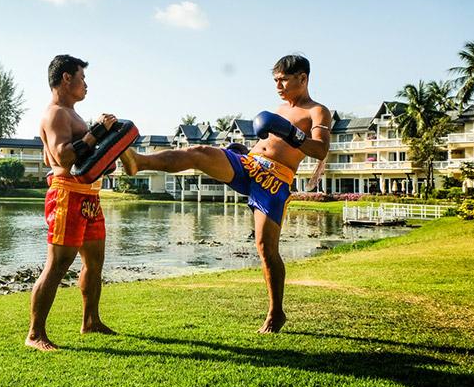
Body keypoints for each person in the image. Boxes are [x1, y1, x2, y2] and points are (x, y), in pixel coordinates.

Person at [120, 54, 331, 333]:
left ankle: (276, 312)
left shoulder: (317, 111)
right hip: (248, 164)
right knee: (199, 152)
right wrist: (245, 150)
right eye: (275, 80)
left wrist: (291, 133)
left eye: (284, 80)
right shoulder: (278, 109)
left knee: (266, 249)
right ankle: (140, 161)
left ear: (302, 79)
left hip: (274, 181)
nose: (278, 85)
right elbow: (267, 143)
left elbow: (320, 150)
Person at [26, 54, 117, 351]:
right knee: (58, 264)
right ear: (67, 78)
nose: (86, 84)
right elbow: (64, 155)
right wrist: (97, 132)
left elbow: (87, 155)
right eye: (82, 77)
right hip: (66, 194)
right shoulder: (55, 114)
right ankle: (35, 334)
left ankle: (90, 321)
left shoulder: (73, 114)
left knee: (94, 263)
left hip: (89, 195)